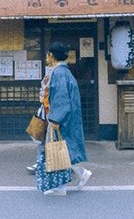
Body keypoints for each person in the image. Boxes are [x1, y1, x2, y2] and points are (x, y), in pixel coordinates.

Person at [35, 42, 92, 196]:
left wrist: (54, 120)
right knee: (63, 151)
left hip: (59, 119)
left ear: (51, 55)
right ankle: (80, 174)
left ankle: (60, 187)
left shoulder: (59, 73)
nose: (46, 57)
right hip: (65, 118)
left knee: (56, 151)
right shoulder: (63, 72)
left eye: (47, 54)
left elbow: (60, 99)